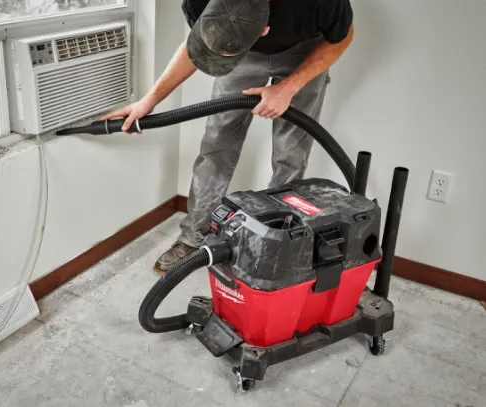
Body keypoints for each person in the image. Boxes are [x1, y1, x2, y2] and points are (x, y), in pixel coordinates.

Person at [101, 0, 354, 274]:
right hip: (239, 47)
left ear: (264, 30)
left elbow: (342, 36)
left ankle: (274, 241)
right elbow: (196, 47)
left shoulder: (318, 3)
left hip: (305, 49)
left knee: (290, 152)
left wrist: (288, 88)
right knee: (217, 143)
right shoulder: (197, 2)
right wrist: (149, 101)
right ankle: (194, 236)